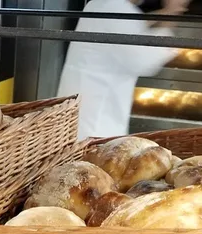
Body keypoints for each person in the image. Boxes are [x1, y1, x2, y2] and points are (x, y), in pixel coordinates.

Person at [57, 0, 191, 138]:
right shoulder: (118, 8)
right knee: (97, 153)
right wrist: (171, 15)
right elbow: (143, 61)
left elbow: (133, 27)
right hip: (97, 114)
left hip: (83, 101)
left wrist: (165, 13)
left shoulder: (99, 4)